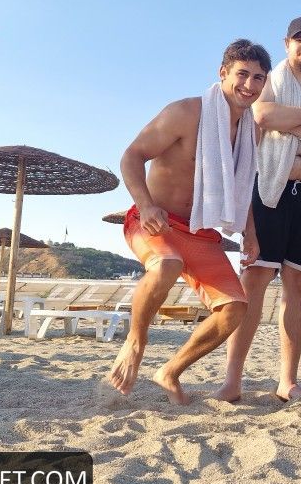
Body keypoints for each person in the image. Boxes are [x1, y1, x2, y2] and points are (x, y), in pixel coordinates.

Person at [105, 39, 272, 404]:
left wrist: (251, 234)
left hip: (200, 231)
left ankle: (170, 371)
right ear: (223, 73)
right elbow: (132, 156)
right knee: (166, 263)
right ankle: (136, 340)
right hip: (156, 223)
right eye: (242, 74)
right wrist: (146, 206)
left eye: (258, 77)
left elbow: (245, 185)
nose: (249, 85)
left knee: (235, 310)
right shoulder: (185, 112)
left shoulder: (251, 131)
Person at [215, 16, 301, 403]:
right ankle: (232, 378)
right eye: (299, 40)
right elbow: (262, 115)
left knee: (298, 287)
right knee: (254, 280)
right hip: (268, 190)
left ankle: (287, 380)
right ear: (287, 44)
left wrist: (289, 121)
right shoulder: (270, 81)